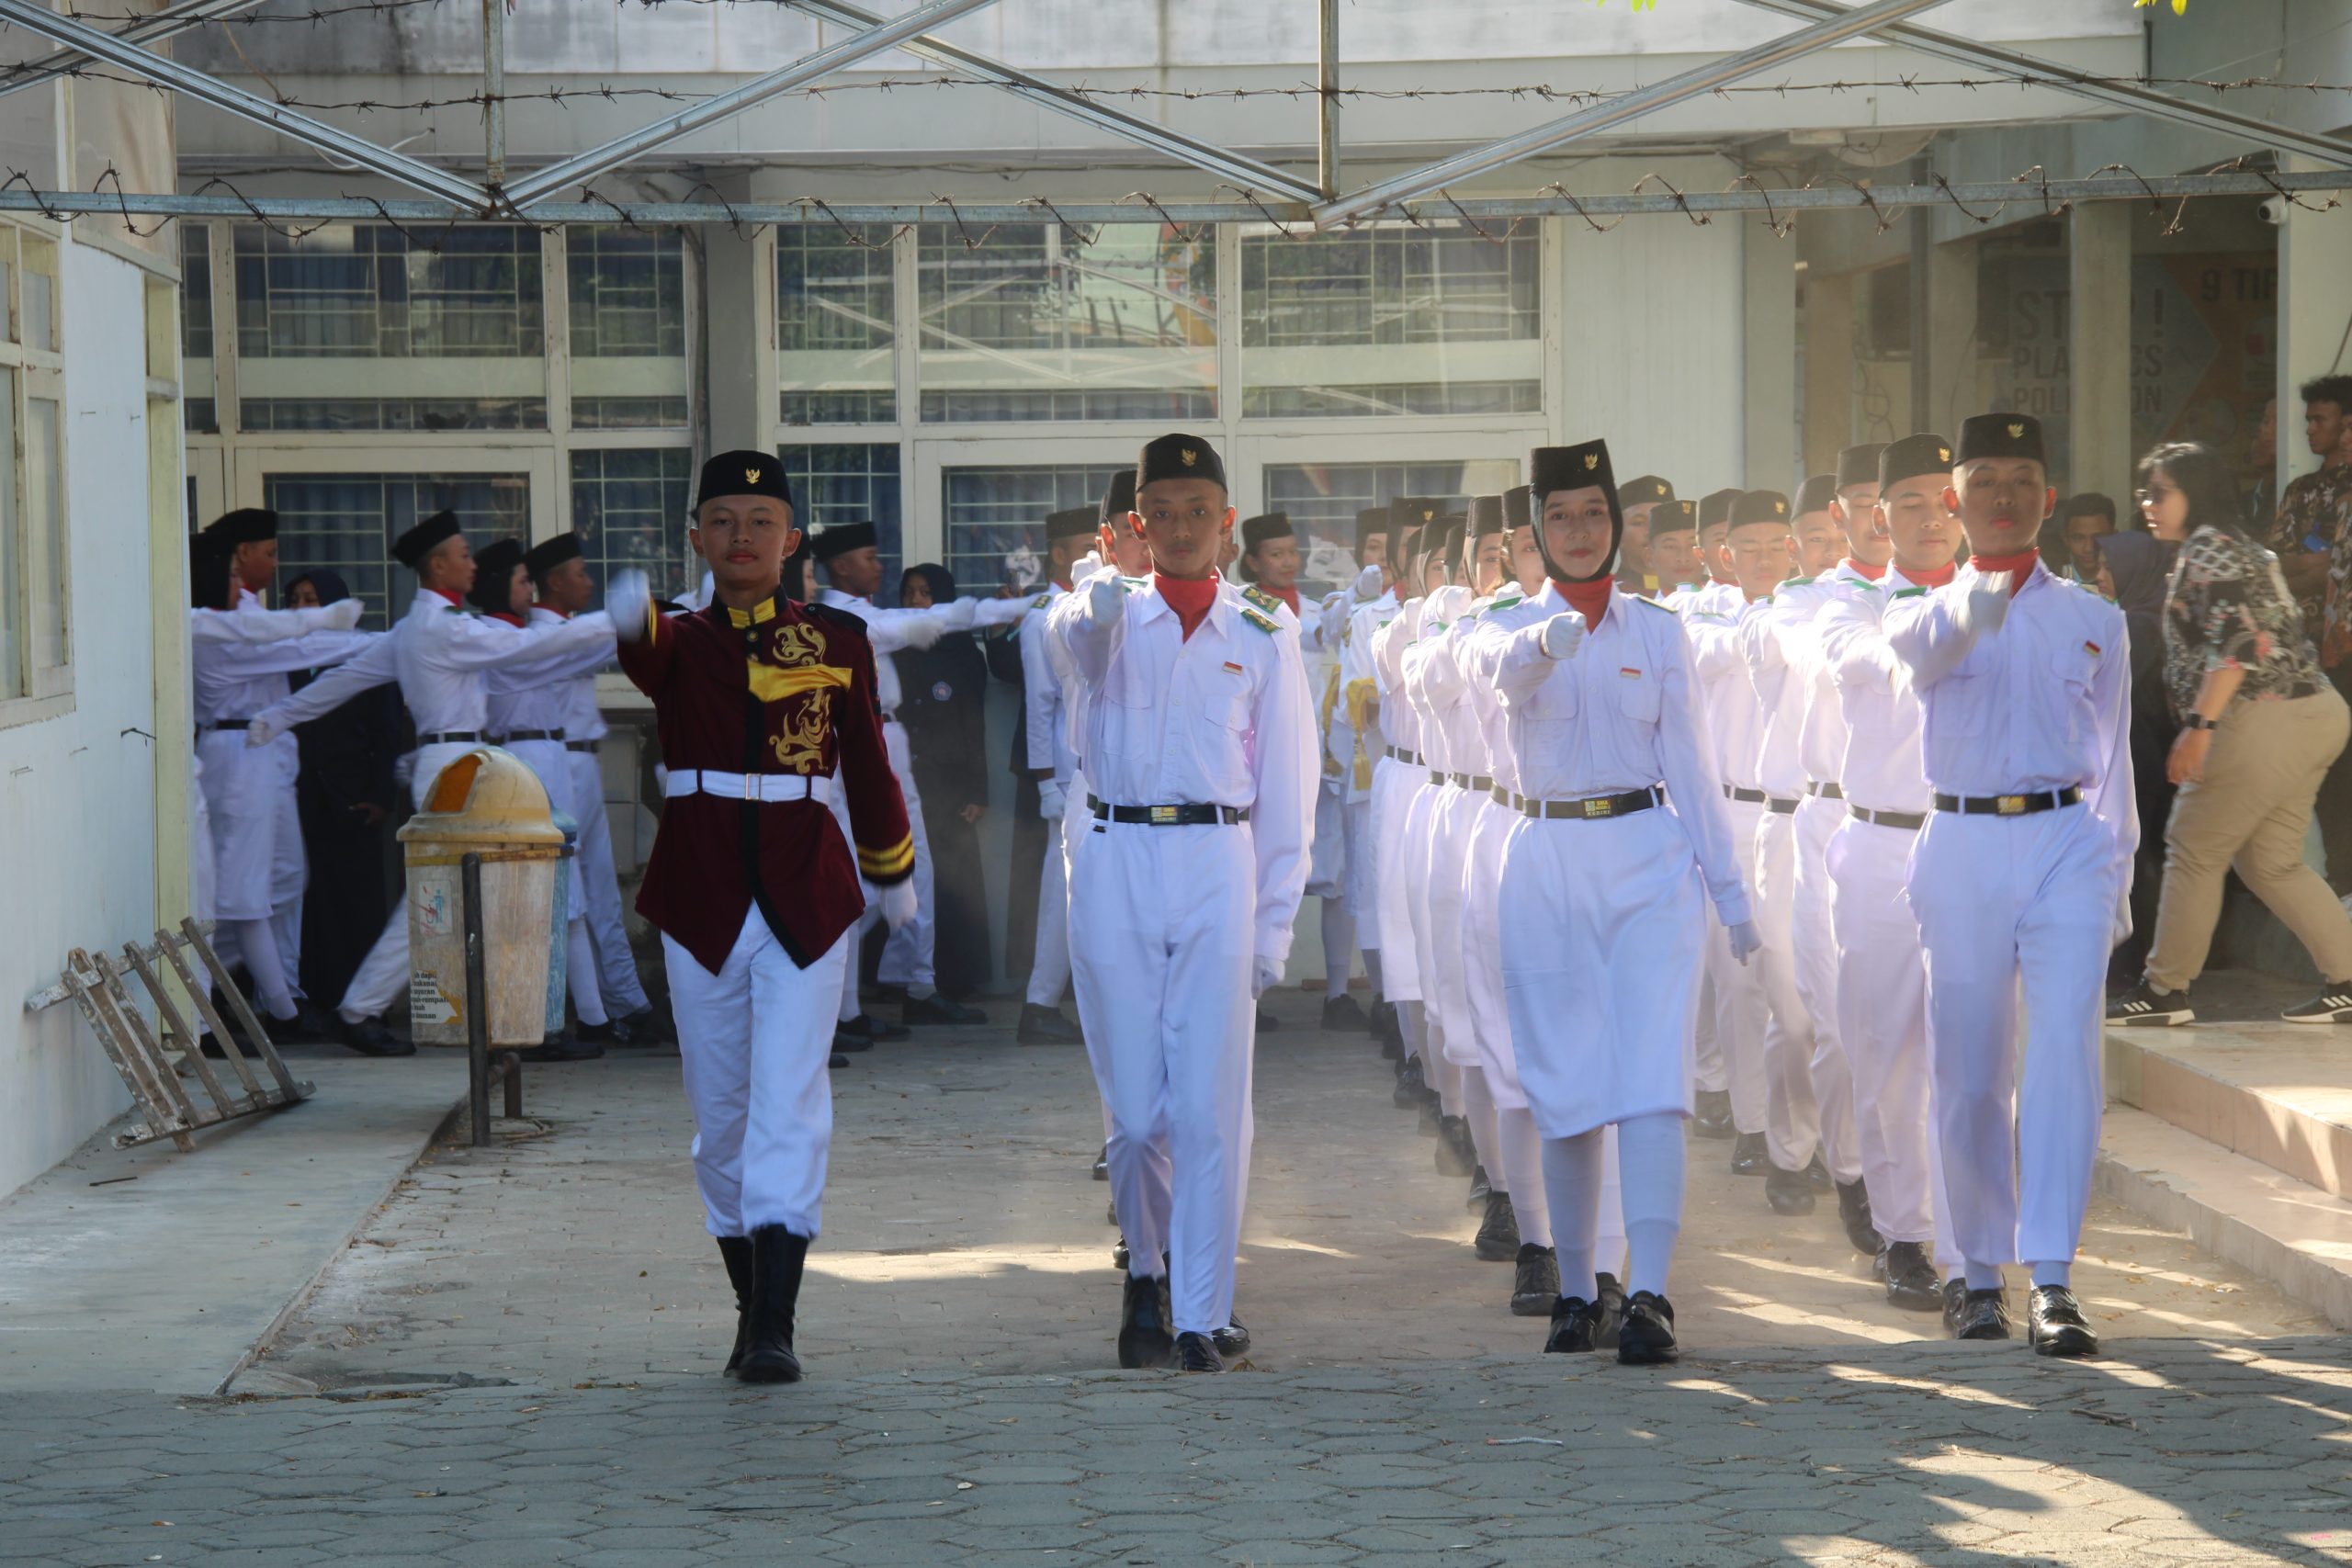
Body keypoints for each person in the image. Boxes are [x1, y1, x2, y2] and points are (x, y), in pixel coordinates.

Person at [609, 451, 918, 1384]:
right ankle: (751, 1310)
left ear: (790, 541)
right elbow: (640, 646)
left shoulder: (837, 638)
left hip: (803, 885)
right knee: (722, 1117)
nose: (741, 538)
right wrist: (626, 607)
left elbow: (865, 760)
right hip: (700, 888)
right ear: (698, 538)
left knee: (790, 1102)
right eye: (722, 521)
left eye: (760, 521)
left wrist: (891, 869)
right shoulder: (680, 639)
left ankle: (775, 1325)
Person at [1470, 438, 1758, 1366]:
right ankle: (1571, 1287)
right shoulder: (1503, 625)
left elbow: (1692, 771)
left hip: (1646, 858)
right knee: (1562, 1090)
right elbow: (1504, 673)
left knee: (1649, 1087)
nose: (1579, 531)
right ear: (1537, 531)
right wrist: (1551, 638)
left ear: (1614, 524)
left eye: (1593, 513)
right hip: (1548, 856)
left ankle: (1648, 1293)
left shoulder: (1658, 633)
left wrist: (1733, 894)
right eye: (1560, 517)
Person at [1051, 432, 1315, 1374]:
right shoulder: (1096, 613)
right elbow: (1076, 644)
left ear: (1225, 522)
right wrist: (1111, 583)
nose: (1177, 529)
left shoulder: (1263, 633)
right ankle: (1146, 1271)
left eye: (1194, 511)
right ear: (1133, 524)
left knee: (1208, 1107)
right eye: (1157, 513)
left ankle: (1203, 1312)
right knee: (1135, 1114)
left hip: (1217, 859)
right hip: (1116, 855)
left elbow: (1288, 796)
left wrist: (1273, 928)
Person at [1883, 412, 2133, 1358]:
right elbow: (1929, 654)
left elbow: (2113, 760)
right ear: (1955, 502)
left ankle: (2054, 1278)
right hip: (1961, 841)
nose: (2002, 497)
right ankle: (1977, 1270)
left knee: (2064, 1049)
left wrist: (2115, 881)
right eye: (1983, 480)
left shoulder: (2093, 618)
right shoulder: (1918, 613)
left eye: (2021, 479)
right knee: (1970, 1064)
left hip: (2066, 839)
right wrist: (1979, 597)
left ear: (2048, 496)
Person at [245, 511, 618, 1059]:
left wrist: (277, 717)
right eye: (464, 554)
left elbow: (343, 680)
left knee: (471, 903)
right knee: (436, 905)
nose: (473, 563)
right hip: (455, 768)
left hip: (460, 763)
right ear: (438, 565)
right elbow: (527, 648)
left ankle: (504, 1025)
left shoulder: (414, 629)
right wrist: (617, 619)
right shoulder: (444, 630)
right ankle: (366, 1009)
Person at [2107, 441, 2352, 1028]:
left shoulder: (2209, 549)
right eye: (2146, 491)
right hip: (2312, 712)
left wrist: (2198, 728)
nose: (2148, 503)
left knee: (2194, 846)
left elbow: (2238, 646)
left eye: (2160, 491)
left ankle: (2165, 991)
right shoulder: (2237, 547)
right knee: (2271, 863)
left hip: (2263, 714)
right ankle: (2348, 978)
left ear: (2199, 492)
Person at [1815, 433, 1965, 1315]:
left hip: (1978, 842)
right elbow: (1868, 661)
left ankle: (1967, 1247)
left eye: (1942, 498)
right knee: (1886, 1048)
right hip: (1880, 845)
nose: (1929, 517)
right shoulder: (1854, 609)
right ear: (1878, 517)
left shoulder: (2014, 601)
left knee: (1972, 1058)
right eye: (1907, 502)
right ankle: (1904, 1233)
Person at [190, 513, 377, 1045]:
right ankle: (277, 1008)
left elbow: (282, 642)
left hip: (263, 750)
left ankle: (256, 988)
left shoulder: (238, 613)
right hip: (236, 751)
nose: (268, 568)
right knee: (245, 894)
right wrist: (360, 636)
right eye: (259, 557)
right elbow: (284, 646)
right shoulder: (214, 624)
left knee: (284, 879)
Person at [1242, 511, 1361, 1029]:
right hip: (1265, 771)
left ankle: (1338, 994)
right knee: (1256, 880)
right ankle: (1252, 998)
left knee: (1335, 882)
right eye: (1275, 554)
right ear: (1252, 561)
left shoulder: (1316, 610)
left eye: (1292, 552)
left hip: (1325, 766)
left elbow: (1328, 649)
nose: (1288, 562)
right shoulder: (1242, 612)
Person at [283, 570, 403, 1009]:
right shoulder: (282, 658)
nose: (301, 607)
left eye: (311, 598)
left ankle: (356, 1003)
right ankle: (308, 1001)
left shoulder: (365, 654)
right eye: (294, 599)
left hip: (353, 798)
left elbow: (389, 733)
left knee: (355, 902)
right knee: (306, 904)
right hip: (298, 799)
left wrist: (380, 796)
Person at [1013, 507, 1098, 1045]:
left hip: (1097, 775)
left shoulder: (1093, 609)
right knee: (1061, 895)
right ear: (1060, 555)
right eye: (1084, 548)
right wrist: (1046, 782)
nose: (1095, 557)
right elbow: (1040, 705)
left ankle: (1052, 1002)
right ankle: (1040, 1004)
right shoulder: (1043, 614)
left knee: (1083, 893)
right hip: (1066, 779)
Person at [896, 562, 995, 1004]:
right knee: (903, 881)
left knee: (954, 881)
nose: (916, 602)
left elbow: (975, 726)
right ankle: (902, 977)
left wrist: (978, 791)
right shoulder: (893, 649)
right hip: (905, 782)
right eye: (909, 593)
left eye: (925, 593)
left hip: (952, 787)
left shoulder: (963, 655)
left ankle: (956, 976)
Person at [2096, 528, 2180, 988]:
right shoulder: (2141, 616)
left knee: (2134, 859)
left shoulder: (2137, 624)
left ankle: (2131, 968)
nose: (2100, 576)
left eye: (2109, 567)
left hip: (2138, 753)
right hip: (2135, 749)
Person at [1616, 475, 1674, 595]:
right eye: (1639, 523)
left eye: (1661, 521)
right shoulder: (1608, 598)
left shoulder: (1694, 597)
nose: (1651, 530)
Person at [1646, 501, 1703, 595]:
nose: (1683, 558)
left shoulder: (1726, 606)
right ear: (1650, 555)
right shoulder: (1636, 609)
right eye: (1670, 547)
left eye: (1693, 545)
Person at [2059, 494, 2118, 583]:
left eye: (2098, 538)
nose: (2088, 548)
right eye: (2078, 538)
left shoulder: (2128, 586)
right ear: (2066, 538)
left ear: (2114, 537)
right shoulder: (2049, 584)